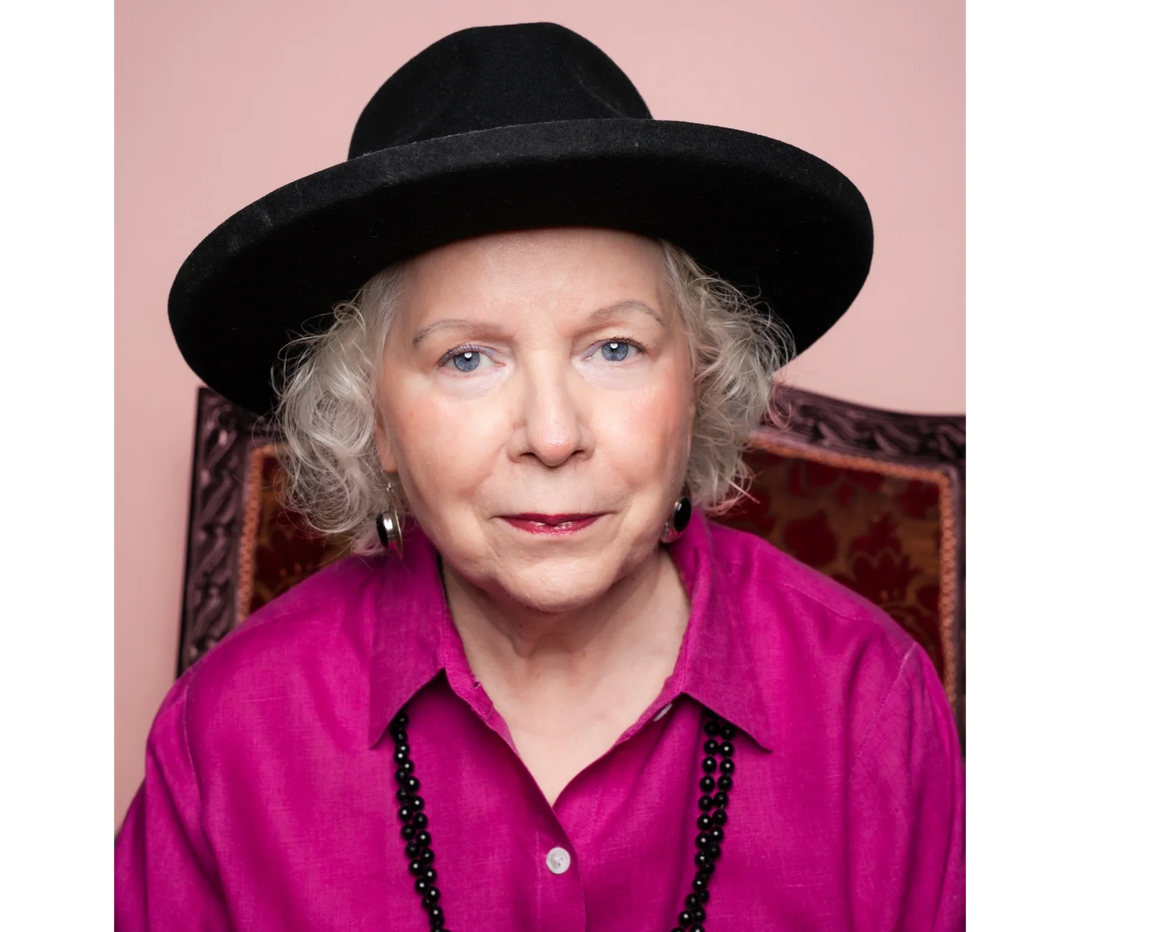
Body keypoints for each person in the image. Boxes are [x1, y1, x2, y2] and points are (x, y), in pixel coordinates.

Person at [112, 22, 967, 932]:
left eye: (614, 348)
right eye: (467, 359)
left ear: (698, 385)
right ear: (375, 420)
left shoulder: (870, 703)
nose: (553, 438)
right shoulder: (227, 733)